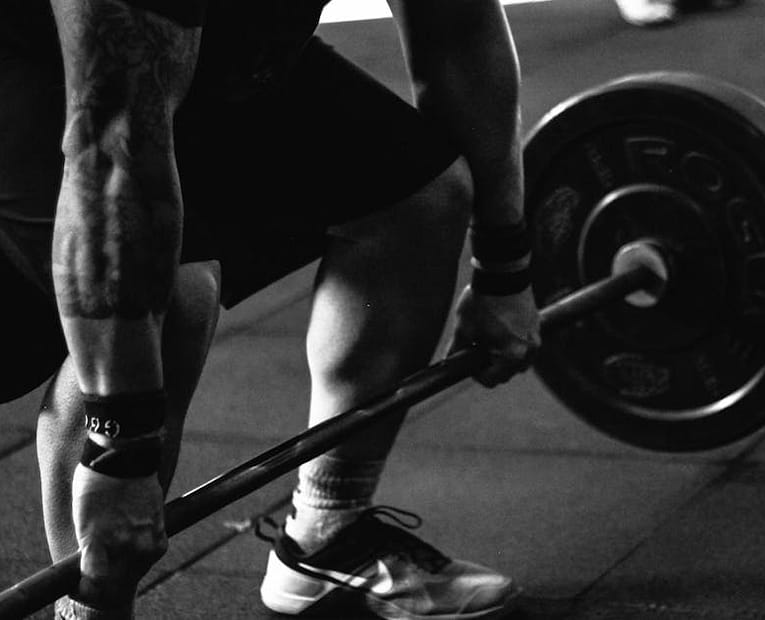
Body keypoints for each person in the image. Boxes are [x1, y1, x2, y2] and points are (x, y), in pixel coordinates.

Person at [0, 1, 541, 619]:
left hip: (209, 61)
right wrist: (119, 456)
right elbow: (113, 147)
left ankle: (328, 535)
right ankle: (88, 612)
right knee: (171, 299)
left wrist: (505, 265)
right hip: (51, 73)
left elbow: (458, 34)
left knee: (421, 199)